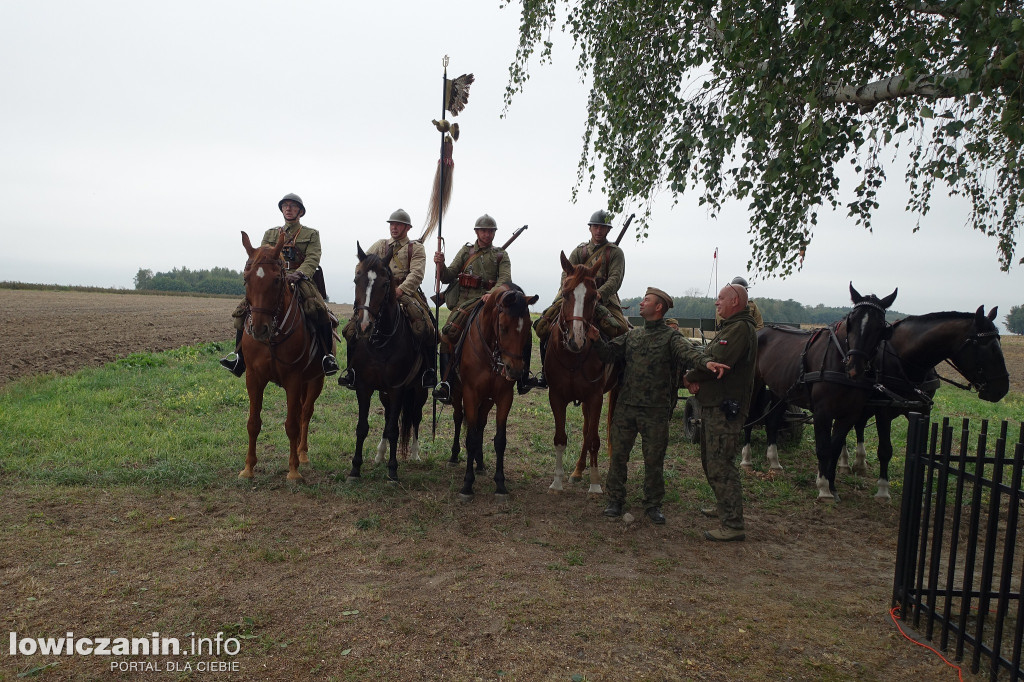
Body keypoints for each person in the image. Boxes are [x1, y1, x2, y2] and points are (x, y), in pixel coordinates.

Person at [588, 287, 728, 525]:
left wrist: (707, 362)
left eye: (646, 300)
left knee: (654, 460)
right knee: (618, 456)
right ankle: (615, 500)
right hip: (627, 408)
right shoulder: (633, 335)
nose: (641, 303)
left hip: (655, 411)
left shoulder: (670, 337)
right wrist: (596, 339)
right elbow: (610, 354)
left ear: (659, 307)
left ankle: (653, 504)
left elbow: (689, 354)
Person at [219, 193, 338, 377]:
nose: (288, 208)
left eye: (292, 206)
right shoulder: (271, 233)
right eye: (285, 206)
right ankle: (239, 356)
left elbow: (313, 257)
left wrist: (299, 274)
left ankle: (327, 356)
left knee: (319, 309)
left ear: (300, 211)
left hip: (300, 278)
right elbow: (263, 256)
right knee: (244, 309)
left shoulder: (311, 234)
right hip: (273, 279)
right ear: (282, 210)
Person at [432, 214, 538, 402]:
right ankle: (446, 383)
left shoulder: (501, 255)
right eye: (484, 231)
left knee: (524, 333)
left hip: (491, 302)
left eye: (491, 231)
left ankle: (522, 378)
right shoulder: (466, 251)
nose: (487, 234)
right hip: (464, 302)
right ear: (476, 232)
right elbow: (448, 276)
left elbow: (505, 278)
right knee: (448, 333)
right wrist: (440, 264)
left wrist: (494, 293)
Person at [684, 283, 758, 541]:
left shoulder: (738, 329)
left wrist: (689, 377)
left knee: (721, 464)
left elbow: (716, 360)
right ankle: (723, 507)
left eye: (721, 298)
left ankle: (733, 525)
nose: (717, 303)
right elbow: (711, 357)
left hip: (724, 407)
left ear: (735, 301)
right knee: (710, 460)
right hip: (714, 402)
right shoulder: (733, 326)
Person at [337, 209, 436, 389]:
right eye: (392, 224)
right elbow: (362, 266)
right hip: (377, 293)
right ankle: (351, 371)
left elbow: (417, 273)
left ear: (407, 228)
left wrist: (400, 290)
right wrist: (365, 284)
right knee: (351, 329)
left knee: (425, 327)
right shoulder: (380, 245)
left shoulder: (416, 248)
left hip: (407, 292)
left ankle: (429, 371)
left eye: (398, 224)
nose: (394, 227)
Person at [533, 209, 628, 387]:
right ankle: (546, 374)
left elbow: (616, 278)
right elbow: (566, 273)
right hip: (573, 297)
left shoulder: (615, 253)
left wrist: (600, 293)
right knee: (544, 326)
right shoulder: (579, 251)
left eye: (603, 227)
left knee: (622, 330)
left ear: (608, 230)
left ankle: (621, 375)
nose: (599, 230)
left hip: (604, 299)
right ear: (590, 228)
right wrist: (567, 290)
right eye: (595, 227)